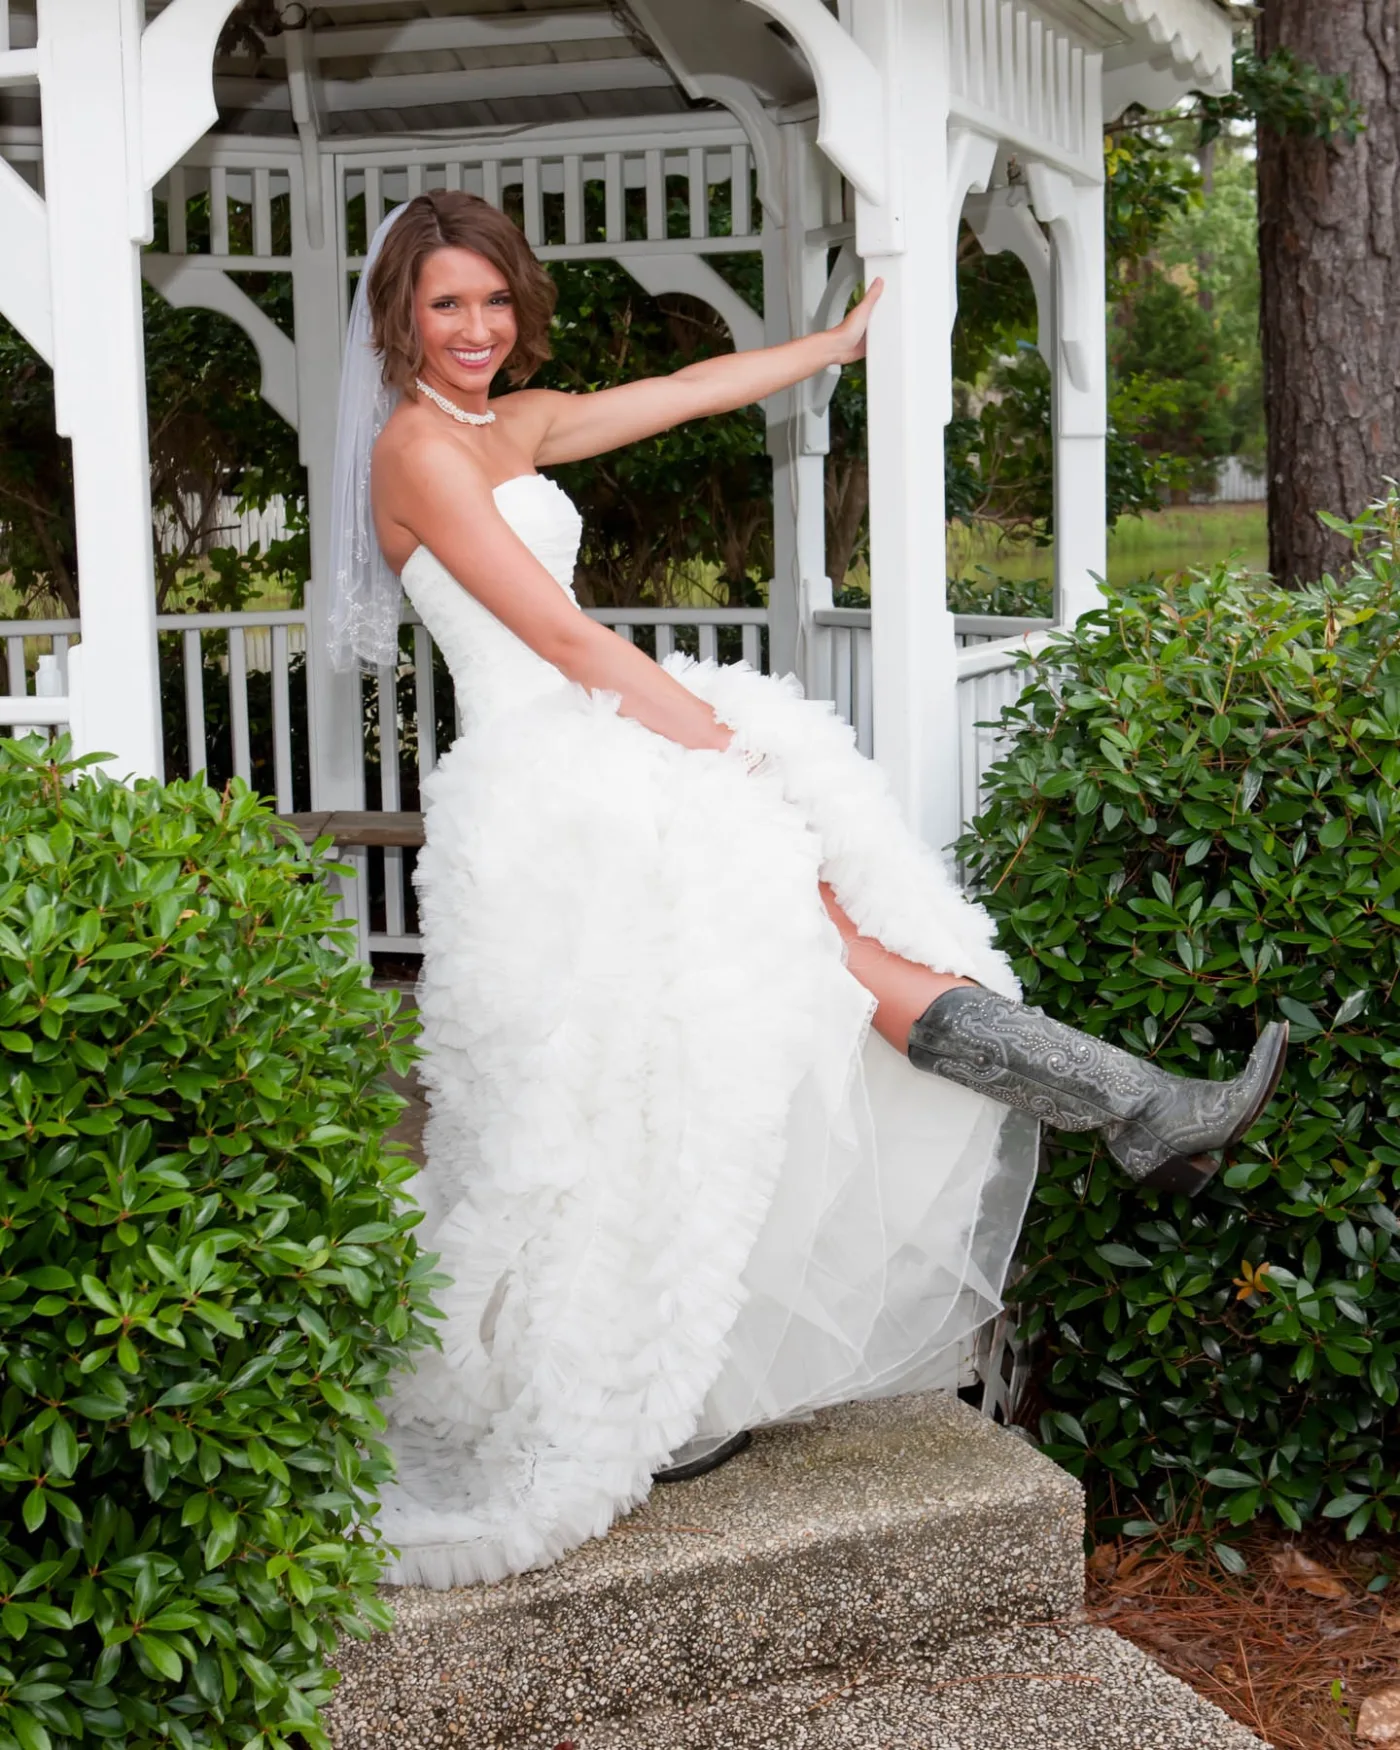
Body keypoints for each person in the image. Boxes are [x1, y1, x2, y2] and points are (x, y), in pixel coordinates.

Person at [327, 192, 1287, 1589]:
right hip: (552, 780)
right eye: (444, 307)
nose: (474, 329)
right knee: (642, 1072)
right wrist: (706, 732)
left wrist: (822, 347)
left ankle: (1135, 1106)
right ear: (401, 318)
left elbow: (675, 390)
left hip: (604, 745)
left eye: (490, 302)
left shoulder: (508, 422)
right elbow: (545, 626)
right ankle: (1134, 1112)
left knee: (813, 962)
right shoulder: (416, 446)